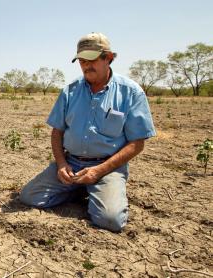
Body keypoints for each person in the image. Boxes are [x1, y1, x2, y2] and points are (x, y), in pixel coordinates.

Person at [19, 32, 156, 232]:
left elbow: (137, 143)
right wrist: (61, 164)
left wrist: (98, 171)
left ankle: (99, 190)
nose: (86, 65)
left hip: (107, 167)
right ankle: (78, 188)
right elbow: (57, 132)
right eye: (81, 60)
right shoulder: (70, 91)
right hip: (71, 163)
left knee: (110, 220)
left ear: (108, 58)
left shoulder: (131, 92)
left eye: (92, 59)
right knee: (29, 197)